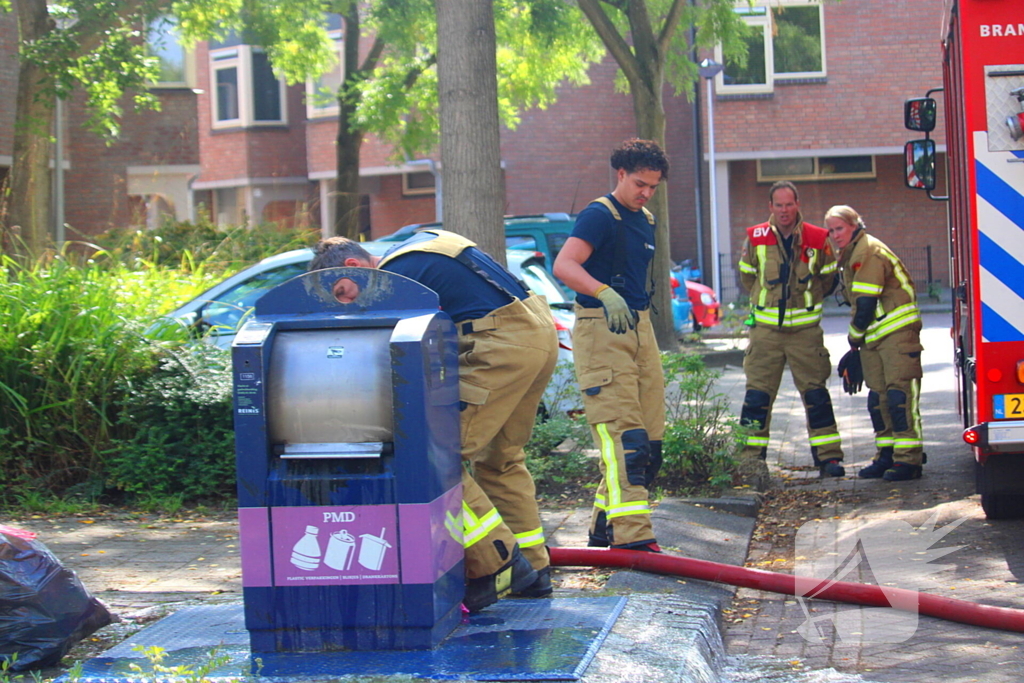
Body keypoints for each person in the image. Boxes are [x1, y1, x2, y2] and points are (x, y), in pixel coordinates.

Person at [308, 231, 559, 610]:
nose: (350, 303)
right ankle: (534, 570)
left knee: (435, 455)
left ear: (353, 267)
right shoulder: (415, 249)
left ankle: (499, 563)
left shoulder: (394, 277)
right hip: (537, 334)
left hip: (499, 346)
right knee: (500, 459)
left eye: (344, 292)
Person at [552, 138, 668, 552]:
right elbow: (564, 264)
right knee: (626, 439)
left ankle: (605, 525)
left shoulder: (646, 219)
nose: (646, 193)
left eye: (653, 186)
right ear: (620, 174)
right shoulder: (600, 216)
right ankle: (632, 538)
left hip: (638, 329)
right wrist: (603, 292)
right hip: (601, 329)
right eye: (639, 183)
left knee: (650, 441)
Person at [737, 181, 845, 477]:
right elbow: (748, 277)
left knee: (816, 395)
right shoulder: (755, 238)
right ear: (770, 207)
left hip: (805, 333)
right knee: (757, 397)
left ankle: (828, 458)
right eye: (779, 205)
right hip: (765, 333)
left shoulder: (817, 237)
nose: (784, 210)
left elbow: (828, 279)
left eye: (789, 204)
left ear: (798, 204)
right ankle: (750, 461)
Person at [824, 205, 925, 481]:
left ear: (855, 225)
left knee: (898, 396)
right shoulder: (850, 255)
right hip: (875, 337)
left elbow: (866, 303)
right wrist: (858, 347)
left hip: (897, 334)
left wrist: (853, 340)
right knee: (878, 400)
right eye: (831, 230)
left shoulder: (867, 251)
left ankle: (909, 461)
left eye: (840, 228)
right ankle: (887, 455)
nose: (835, 235)